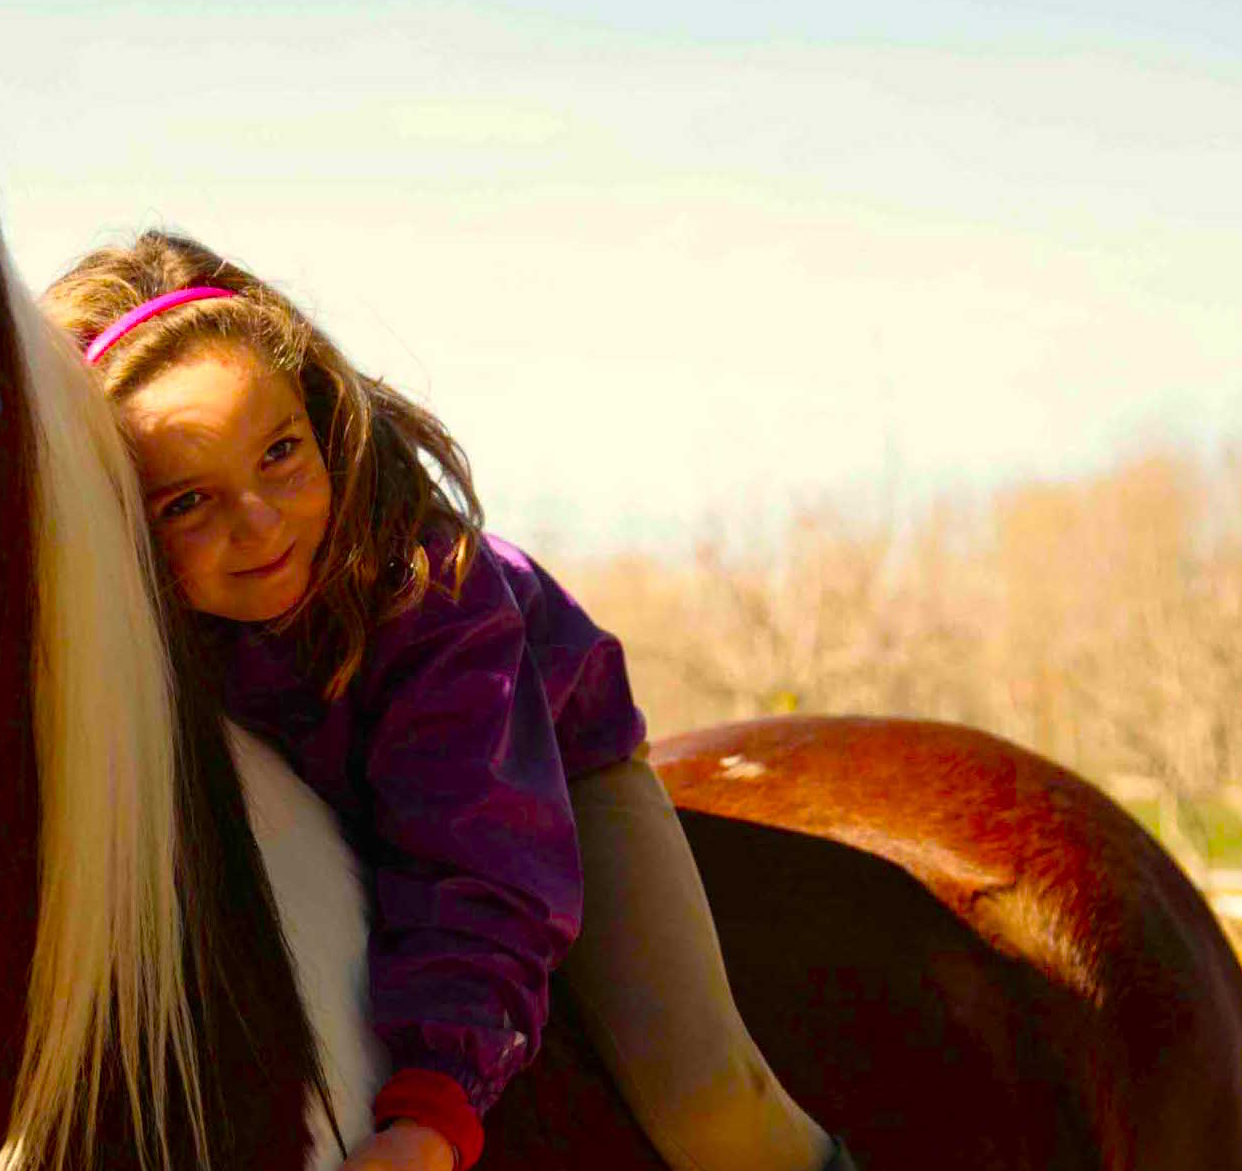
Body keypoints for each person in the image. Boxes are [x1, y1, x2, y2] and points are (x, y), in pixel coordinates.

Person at [43, 231, 854, 1171]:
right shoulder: (131, 634)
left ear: (321, 420)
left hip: (533, 771)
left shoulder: (430, 594)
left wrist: (431, 1110)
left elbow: (478, 857)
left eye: (279, 454)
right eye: (187, 501)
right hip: (341, 797)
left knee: (708, 1099)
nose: (259, 523)